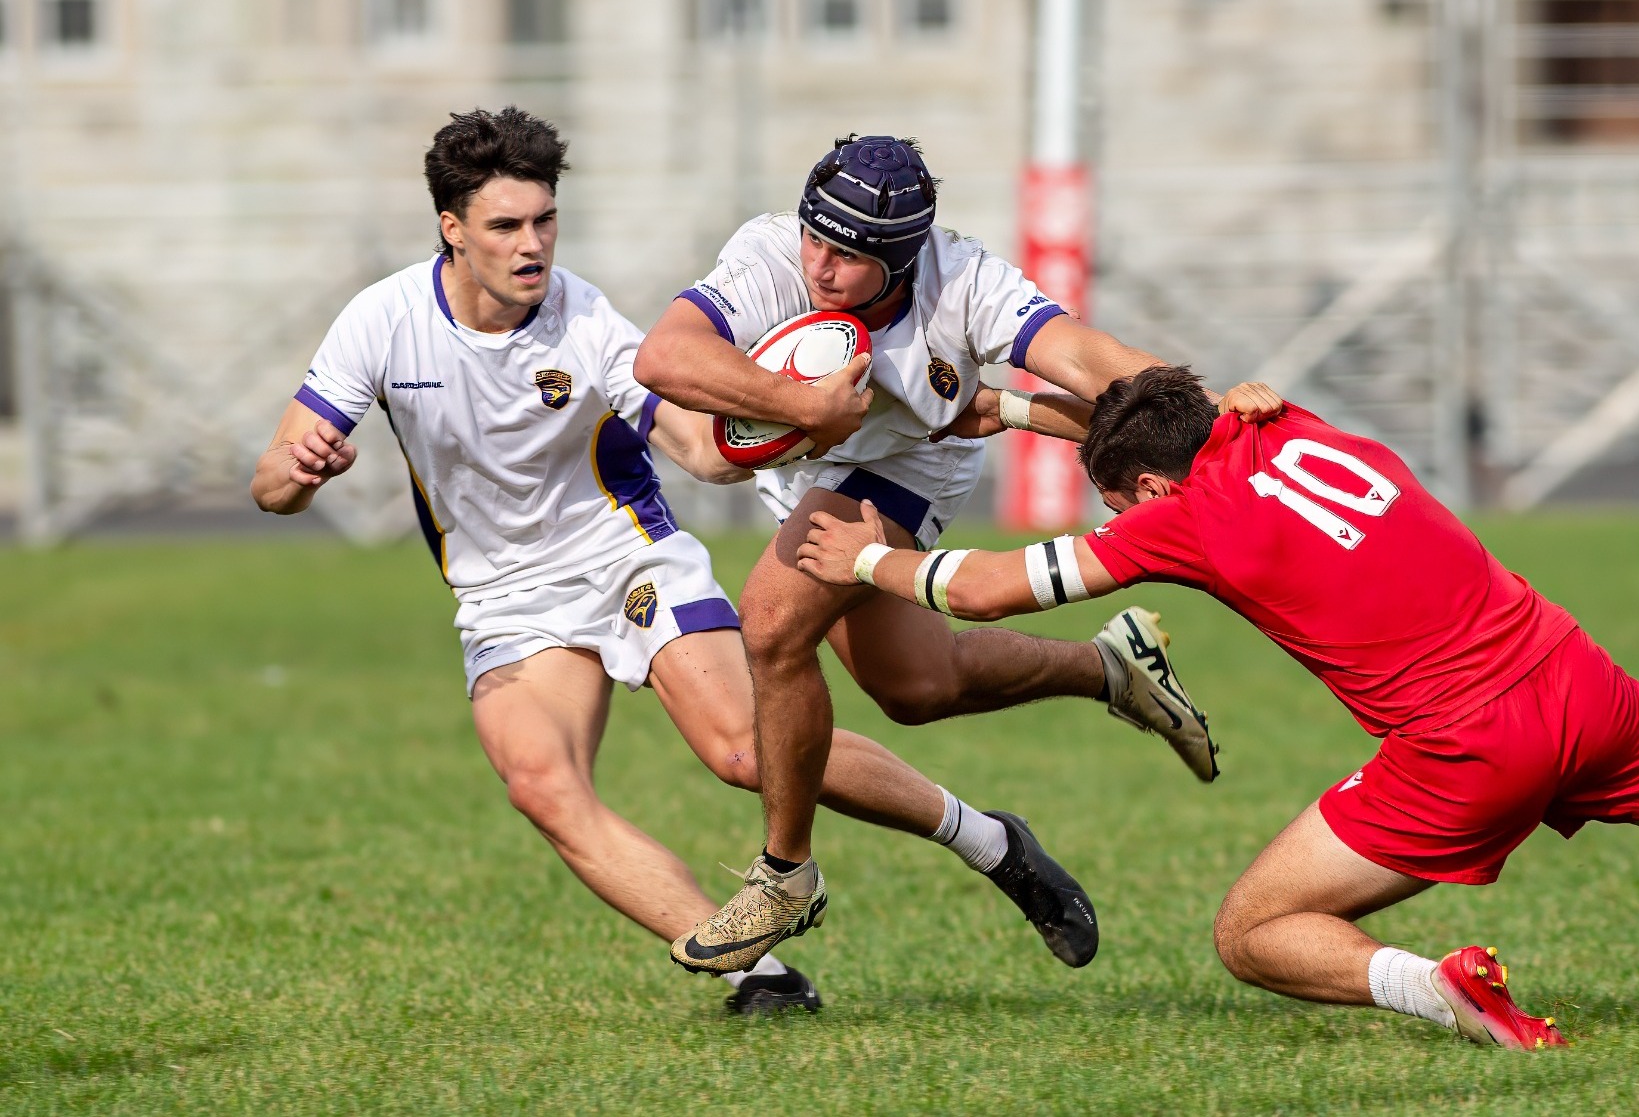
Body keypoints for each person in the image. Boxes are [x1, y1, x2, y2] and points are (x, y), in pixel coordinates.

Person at [796, 365, 1639, 1048]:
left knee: (1251, 933)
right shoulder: (1285, 420)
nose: (1123, 525)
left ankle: (1445, 993)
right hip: (1579, 682)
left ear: (1152, 488)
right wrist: (1009, 409)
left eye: (1123, 504)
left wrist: (863, 560)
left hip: (1468, 747)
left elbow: (988, 588)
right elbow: (1170, 415)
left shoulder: (1180, 516)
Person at [250, 109, 1101, 1015]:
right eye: (505, 226)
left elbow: (698, 452)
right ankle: (760, 975)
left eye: (544, 220)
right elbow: (272, 483)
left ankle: (989, 843)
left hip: (630, 562)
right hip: (503, 599)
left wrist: (788, 422)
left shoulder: (587, 326)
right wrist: (300, 471)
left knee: (743, 750)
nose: (531, 244)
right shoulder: (379, 321)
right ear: (452, 230)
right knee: (544, 787)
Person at [638, 135, 1211, 972]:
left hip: (908, 465)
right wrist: (804, 405)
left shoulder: (965, 281)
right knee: (918, 686)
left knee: (769, 620)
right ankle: (1111, 668)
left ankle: (785, 874)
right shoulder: (770, 254)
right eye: (815, 240)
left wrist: (1210, 412)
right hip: (814, 466)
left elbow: (1079, 355)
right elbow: (665, 356)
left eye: (848, 255)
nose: (820, 266)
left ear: (903, 259)